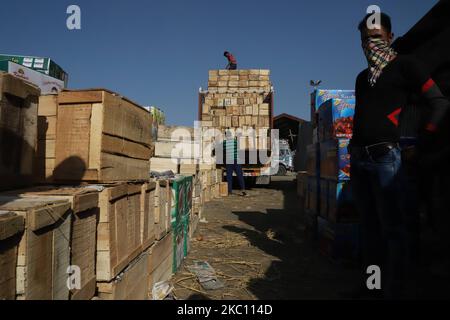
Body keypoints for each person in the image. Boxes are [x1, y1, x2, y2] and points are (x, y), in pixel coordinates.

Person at [349, 12, 449, 299]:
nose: (371, 44)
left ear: (390, 37)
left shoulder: (407, 66)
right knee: (369, 230)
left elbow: (439, 104)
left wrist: (422, 143)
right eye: (365, 40)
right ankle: (371, 287)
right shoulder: (362, 78)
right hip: (359, 157)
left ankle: (394, 292)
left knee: (393, 229)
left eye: (377, 37)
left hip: (386, 159)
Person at [223, 129, 247, 196]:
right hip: (237, 160)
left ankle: (229, 191)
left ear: (225, 136)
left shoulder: (224, 143)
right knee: (239, 175)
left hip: (229, 161)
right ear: (231, 135)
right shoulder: (235, 142)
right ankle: (243, 190)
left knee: (229, 176)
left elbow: (223, 149)